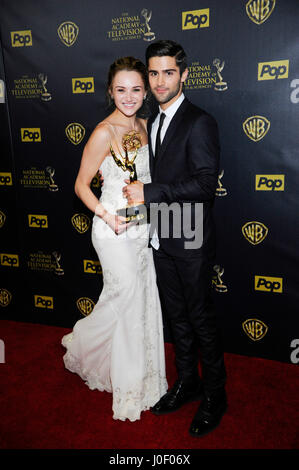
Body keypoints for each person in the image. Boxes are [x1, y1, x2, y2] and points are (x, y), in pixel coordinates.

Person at [123, 40, 227, 437]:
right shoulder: (153, 121)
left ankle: (216, 394)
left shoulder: (200, 122)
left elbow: (204, 186)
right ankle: (188, 382)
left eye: (169, 72)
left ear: (184, 74)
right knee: (177, 318)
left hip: (191, 236)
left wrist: (149, 193)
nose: (160, 80)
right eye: (153, 73)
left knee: (201, 319)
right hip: (162, 233)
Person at [61, 56, 168, 422]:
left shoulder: (144, 124)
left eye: (136, 89)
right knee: (125, 298)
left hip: (140, 228)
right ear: (110, 91)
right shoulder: (103, 132)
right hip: (112, 229)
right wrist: (108, 216)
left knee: (136, 301)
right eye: (121, 90)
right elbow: (79, 185)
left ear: (145, 92)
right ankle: (129, 388)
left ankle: (93, 348)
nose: (129, 96)